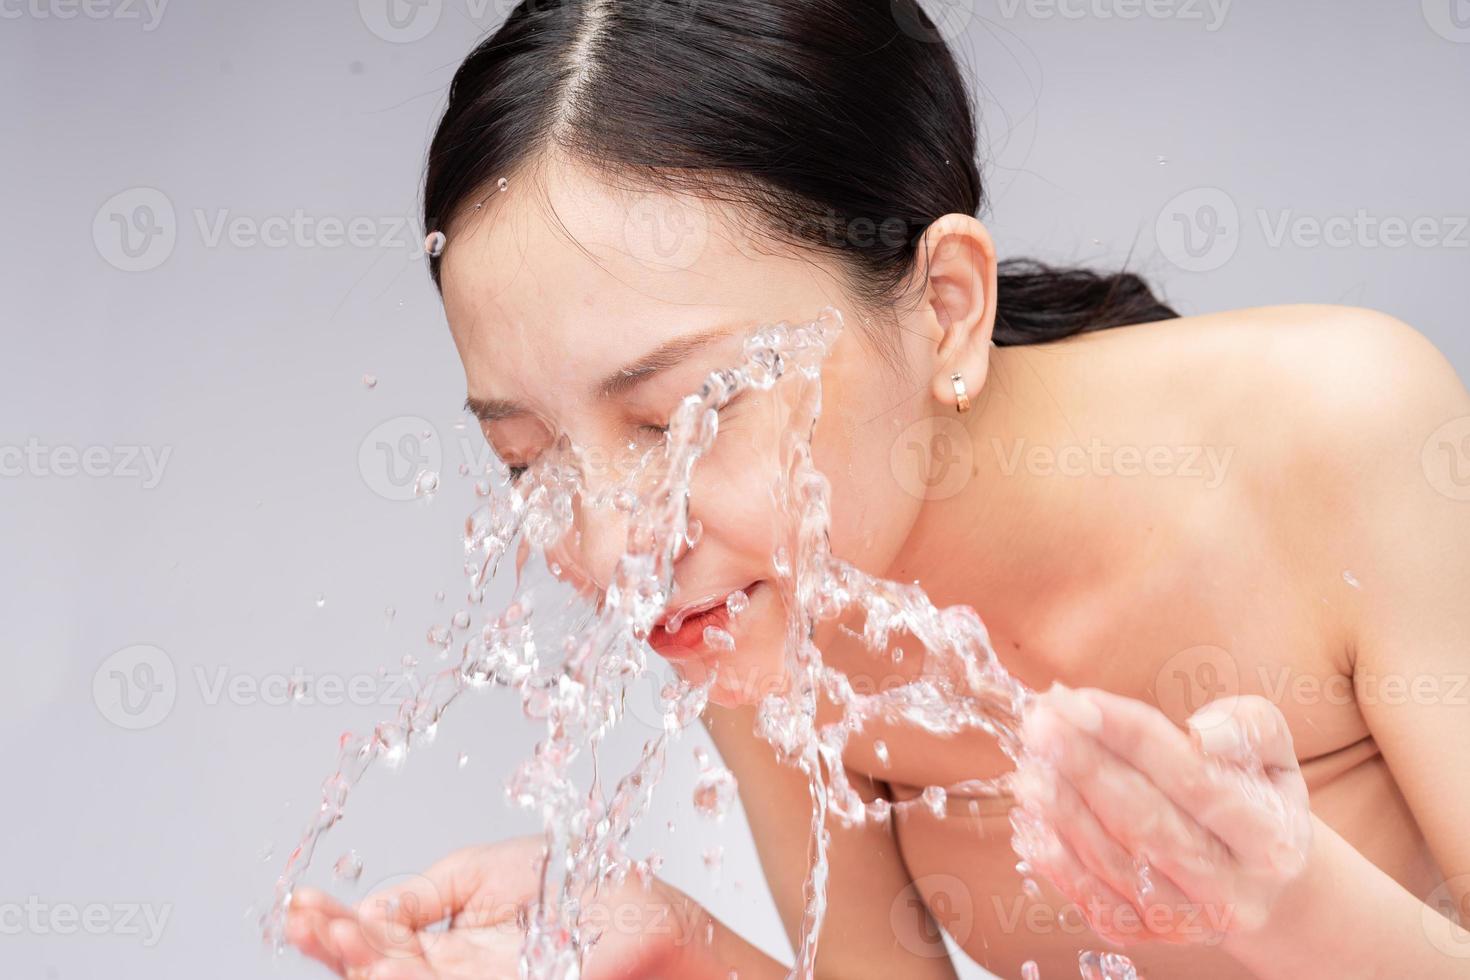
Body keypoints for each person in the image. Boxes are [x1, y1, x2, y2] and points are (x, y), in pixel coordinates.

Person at [287, 1, 1470, 976]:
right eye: (528, 458)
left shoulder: (1348, 434)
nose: (612, 547)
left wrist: (1295, 907)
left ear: (946, 305)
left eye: (677, 419)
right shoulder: (755, 606)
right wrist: (687, 956)